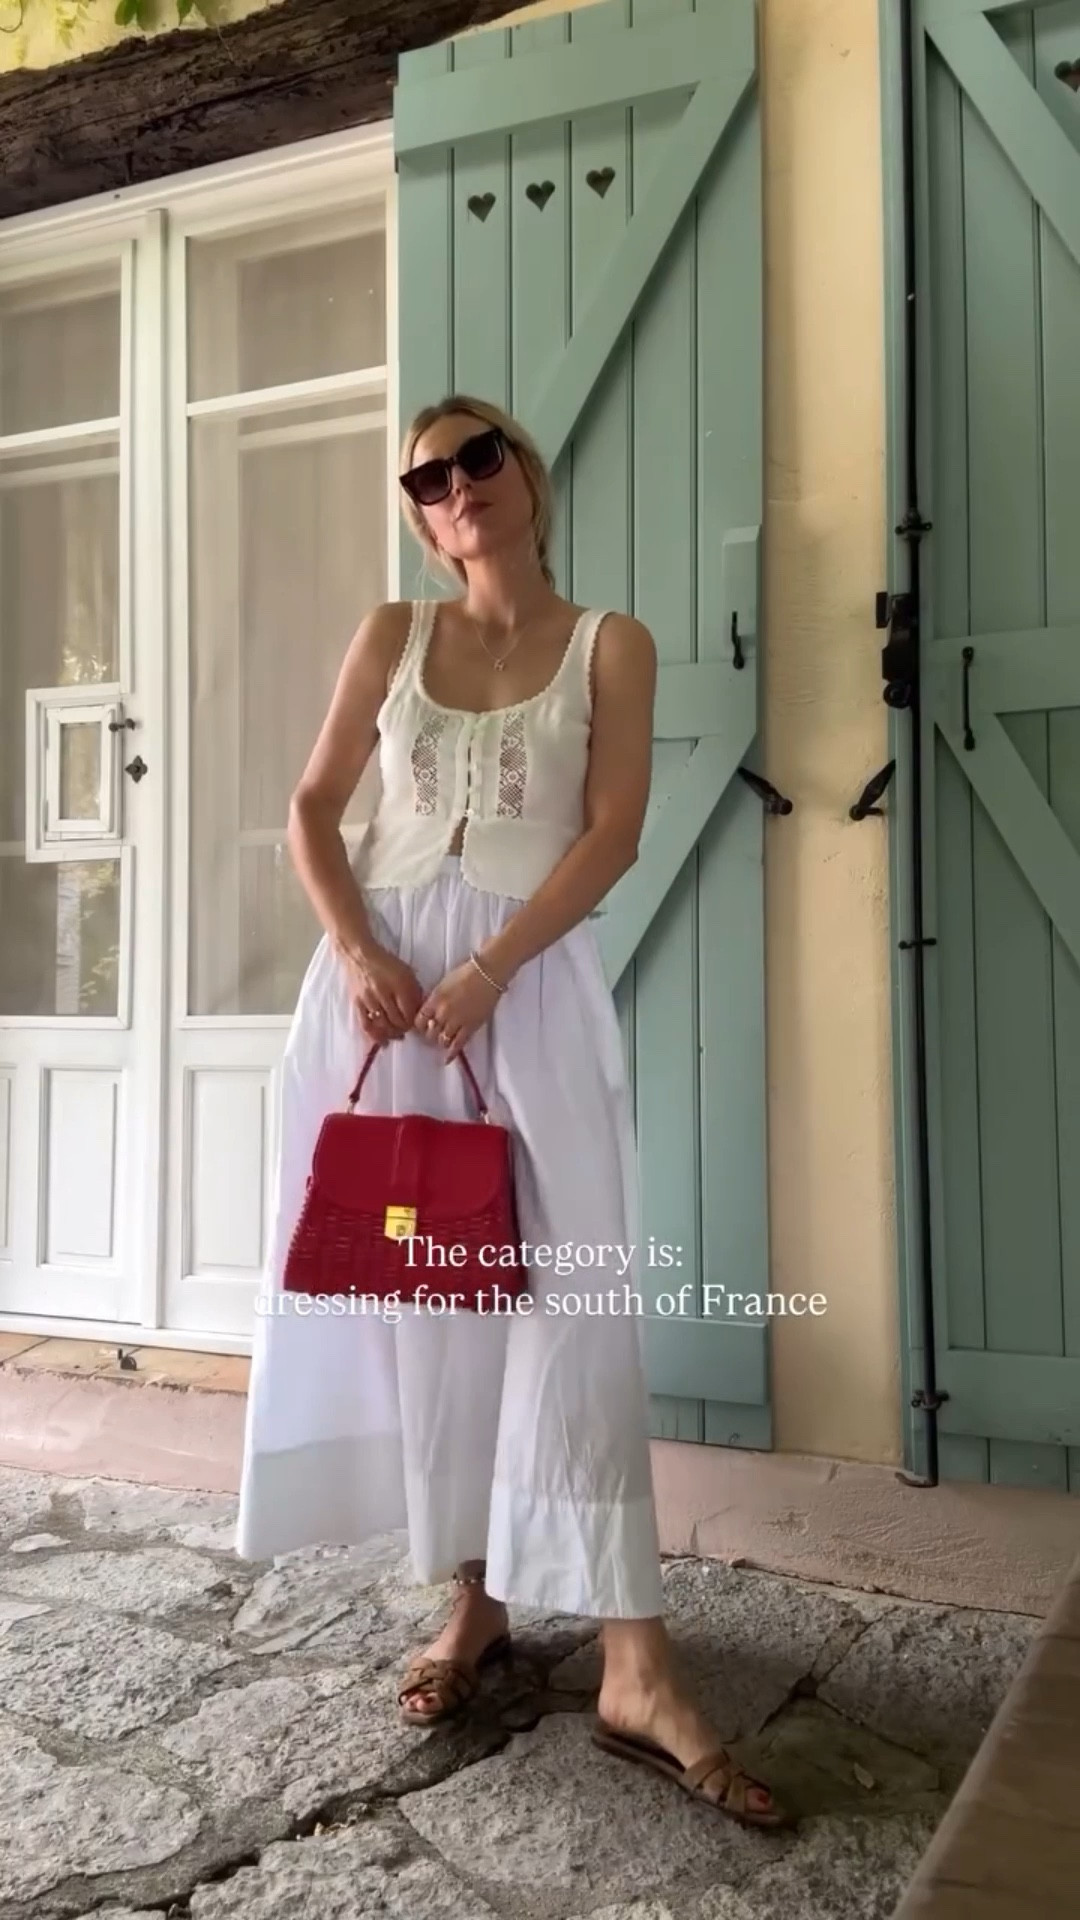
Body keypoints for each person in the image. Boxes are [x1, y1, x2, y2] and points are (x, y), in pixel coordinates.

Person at [235, 395, 786, 1829]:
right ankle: (470, 1603)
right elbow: (309, 809)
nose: (459, 484)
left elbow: (611, 833)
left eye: (481, 456)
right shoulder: (390, 635)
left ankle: (634, 1657)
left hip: (524, 994)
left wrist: (489, 967)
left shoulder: (612, 642)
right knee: (438, 1303)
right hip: (380, 1002)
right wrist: (361, 949)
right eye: (430, 473)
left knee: (576, 1305)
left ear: (525, 479)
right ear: (419, 510)